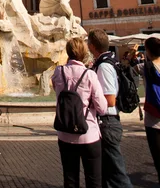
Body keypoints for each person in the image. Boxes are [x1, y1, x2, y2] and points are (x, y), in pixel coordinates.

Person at [52, 37, 107, 188]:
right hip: (88, 134)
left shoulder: (58, 72)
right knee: (94, 180)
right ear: (84, 53)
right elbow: (102, 108)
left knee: (70, 180)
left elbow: (55, 90)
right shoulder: (89, 75)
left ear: (68, 52)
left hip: (65, 134)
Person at [88, 29, 132, 188]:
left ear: (92, 46)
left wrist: (90, 102)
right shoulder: (104, 62)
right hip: (106, 123)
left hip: (108, 122)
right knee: (107, 174)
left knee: (118, 175)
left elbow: (110, 100)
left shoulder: (104, 66)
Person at [133, 36, 160, 183]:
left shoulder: (144, 67)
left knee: (158, 157)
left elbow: (128, 70)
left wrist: (132, 55)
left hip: (153, 118)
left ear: (148, 51)